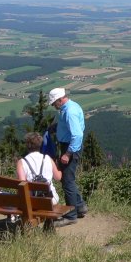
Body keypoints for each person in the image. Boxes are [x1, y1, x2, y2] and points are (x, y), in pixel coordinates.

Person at [48, 87, 87, 223]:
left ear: (60, 100)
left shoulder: (70, 112)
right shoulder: (69, 107)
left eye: (54, 103)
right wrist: (57, 127)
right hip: (69, 146)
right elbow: (67, 126)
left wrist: (67, 154)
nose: (53, 106)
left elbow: (77, 135)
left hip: (70, 148)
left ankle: (71, 215)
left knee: (67, 181)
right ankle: (80, 206)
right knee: (67, 179)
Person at [16, 131, 62, 205]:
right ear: (40, 144)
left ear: (27, 145)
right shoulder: (48, 158)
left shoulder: (21, 162)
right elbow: (58, 177)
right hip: (51, 199)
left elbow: (22, 185)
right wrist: (60, 170)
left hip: (32, 200)